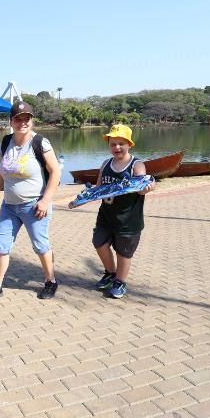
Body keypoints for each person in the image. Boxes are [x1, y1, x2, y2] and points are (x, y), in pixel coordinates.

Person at [0, 100, 61, 301]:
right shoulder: (6, 142)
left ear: (31, 121)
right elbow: (0, 172)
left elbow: (55, 171)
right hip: (9, 206)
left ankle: (51, 281)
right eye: (18, 119)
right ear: (11, 121)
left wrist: (45, 200)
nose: (22, 122)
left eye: (26, 119)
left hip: (35, 205)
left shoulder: (40, 142)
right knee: (1, 245)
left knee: (40, 245)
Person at [75, 124, 154, 298]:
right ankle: (110, 273)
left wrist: (147, 188)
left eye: (121, 143)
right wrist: (83, 197)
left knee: (123, 252)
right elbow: (98, 188)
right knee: (99, 242)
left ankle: (120, 282)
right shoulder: (106, 164)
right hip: (106, 215)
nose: (116, 147)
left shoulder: (137, 165)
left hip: (128, 219)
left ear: (129, 144)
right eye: (113, 144)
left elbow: (141, 188)